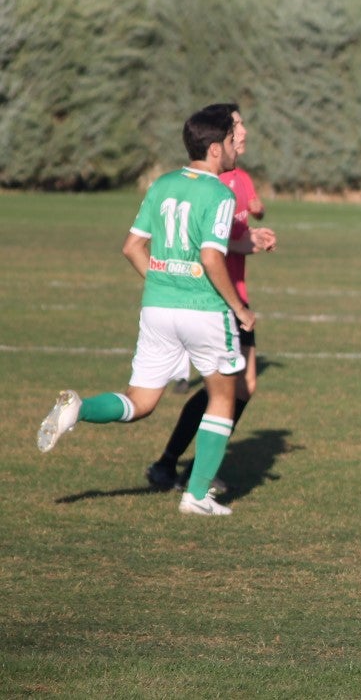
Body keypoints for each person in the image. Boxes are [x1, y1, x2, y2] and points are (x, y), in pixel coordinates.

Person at [36, 105, 256, 517]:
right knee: (224, 396)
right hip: (204, 310)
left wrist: (162, 282)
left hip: (157, 308)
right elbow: (211, 259)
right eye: (230, 141)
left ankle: (79, 409)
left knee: (140, 402)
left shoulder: (162, 184)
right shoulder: (220, 193)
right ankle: (197, 495)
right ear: (214, 149)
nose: (233, 148)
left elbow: (132, 247)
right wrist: (239, 307)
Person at [146, 104, 276, 493]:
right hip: (217, 298)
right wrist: (244, 244)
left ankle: (182, 465)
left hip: (229, 291)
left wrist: (248, 238)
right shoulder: (214, 183)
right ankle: (184, 467)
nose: (244, 131)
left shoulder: (239, 178)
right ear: (221, 137)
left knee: (236, 387)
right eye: (237, 125)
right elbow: (208, 248)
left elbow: (222, 241)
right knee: (228, 389)